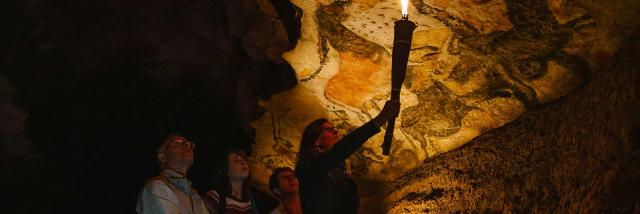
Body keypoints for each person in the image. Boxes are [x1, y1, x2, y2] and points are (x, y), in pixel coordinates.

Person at [295, 100, 400, 213]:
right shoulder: (308, 166)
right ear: (314, 140)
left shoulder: (339, 173)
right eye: (329, 129)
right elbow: (340, 149)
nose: (336, 131)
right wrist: (379, 120)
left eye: (334, 129)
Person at [136, 133, 210, 214]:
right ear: (163, 157)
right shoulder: (158, 186)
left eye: (189, 145)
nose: (187, 145)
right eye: (177, 143)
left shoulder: (194, 194)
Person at [203, 150, 281, 214]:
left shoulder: (251, 203)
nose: (243, 163)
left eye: (244, 160)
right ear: (227, 170)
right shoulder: (214, 197)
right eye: (237, 160)